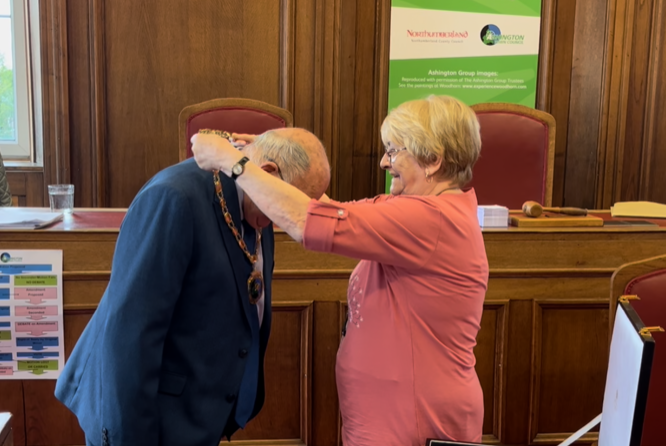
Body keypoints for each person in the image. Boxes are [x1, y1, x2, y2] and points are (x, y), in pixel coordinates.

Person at [191, 94, 489, 446]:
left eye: (394, 150)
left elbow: (306, 220)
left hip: (415, 418)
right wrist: (270, 153)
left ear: (433, 160)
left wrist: (234, 162)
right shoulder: (421, 211)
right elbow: (326, 208)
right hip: (392, 416)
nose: (383, 162)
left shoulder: (430, 219)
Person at [55, 128, 331, 446]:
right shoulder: (174, 199)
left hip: (198, 416)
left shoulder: (261, 194)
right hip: (146, 421)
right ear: (268, 173)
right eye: (293, 207)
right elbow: (129, 337)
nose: (291, 222)